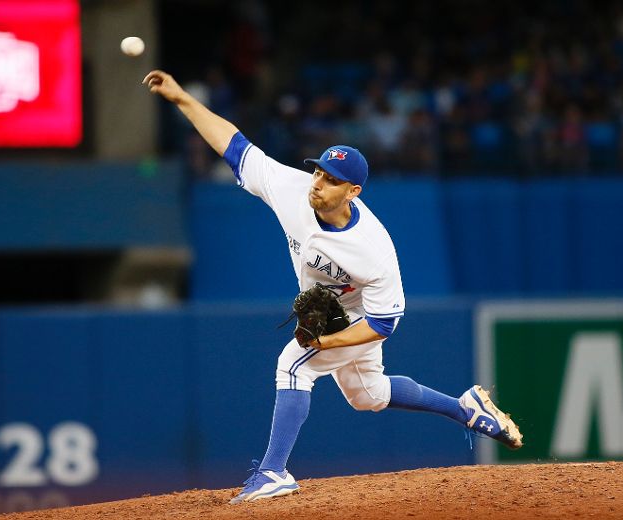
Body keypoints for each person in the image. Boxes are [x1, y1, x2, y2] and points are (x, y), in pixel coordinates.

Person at [143, 69, 523, 504]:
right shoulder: (293, 188)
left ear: (353, 191)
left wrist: (326, 340)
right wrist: (181, 98)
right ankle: (465, 408)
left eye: (331, 180)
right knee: (370, 396)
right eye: (319, 173)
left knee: (294, 364)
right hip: (342, 312)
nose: (319, 184)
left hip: (362, 318)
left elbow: (383, 325)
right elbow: (234, 145)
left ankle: (272, 471)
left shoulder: (374, 251)